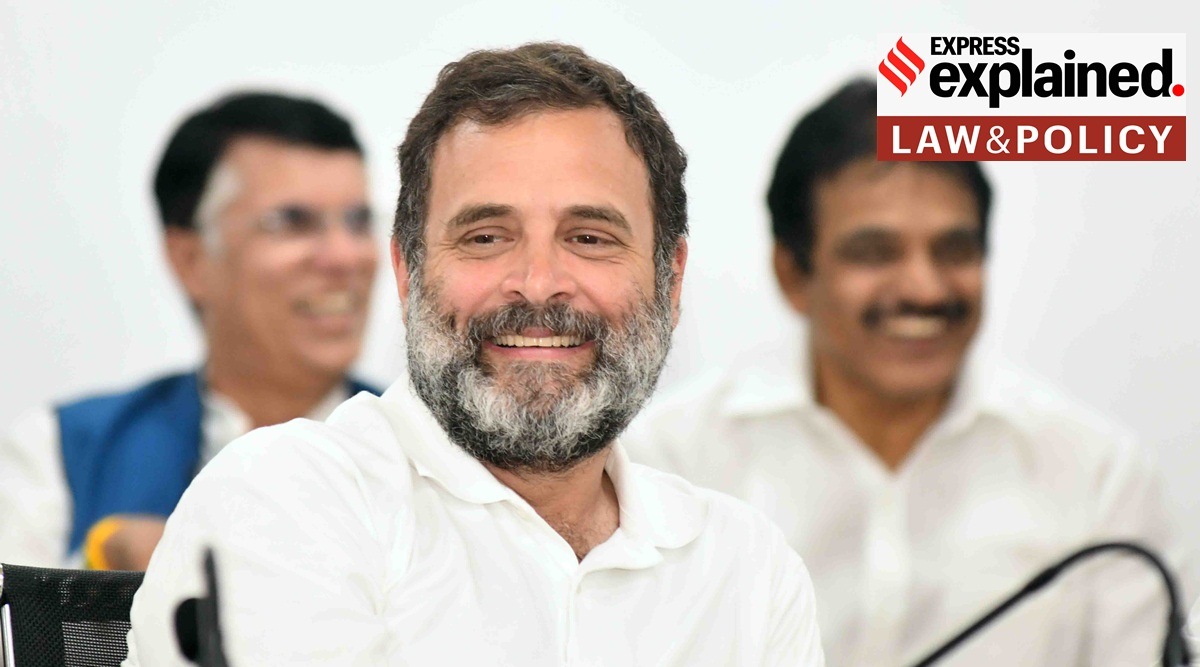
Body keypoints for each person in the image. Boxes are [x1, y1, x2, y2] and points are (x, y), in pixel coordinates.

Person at [123, 43, 824, 666]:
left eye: (589, 236)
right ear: (408, 274)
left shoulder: (748, 570)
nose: (539, 282)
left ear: (670, 281)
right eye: (487, 236)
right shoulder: (286, 499)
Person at [623, 78, 1191, 666]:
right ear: (794, 275)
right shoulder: (667, 466)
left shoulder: (1097, 477)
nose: (924, 287)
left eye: (954, 250)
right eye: (875, 252)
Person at [0, 91, 381, 571]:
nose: (345, 257)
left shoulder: (435, 456)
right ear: (191, 260)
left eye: (358, 222)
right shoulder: (63, 451)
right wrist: (99, 567)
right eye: (292, 223)